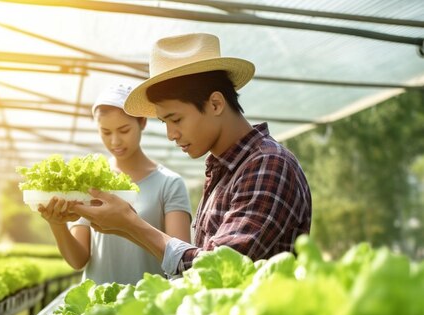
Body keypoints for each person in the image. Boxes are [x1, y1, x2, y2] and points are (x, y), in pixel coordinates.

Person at [71, 33, 312, 277]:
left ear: (215, 104)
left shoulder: (268, 165)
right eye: (164, 122)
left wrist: (132, 225)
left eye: (175, 119)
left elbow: (218, 269)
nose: (170, 134)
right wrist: (123, 226)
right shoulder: (225, 170)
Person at [37, 83, 192, 285]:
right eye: (106, 132)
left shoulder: (169, 183)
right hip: (97, 307)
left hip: (149, 306)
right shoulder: (89, 181)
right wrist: (56, 224)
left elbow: (181, 262)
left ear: (142, 122)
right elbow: (78, 260)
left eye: (124, 130)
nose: (115, 141)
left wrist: (128, 224)